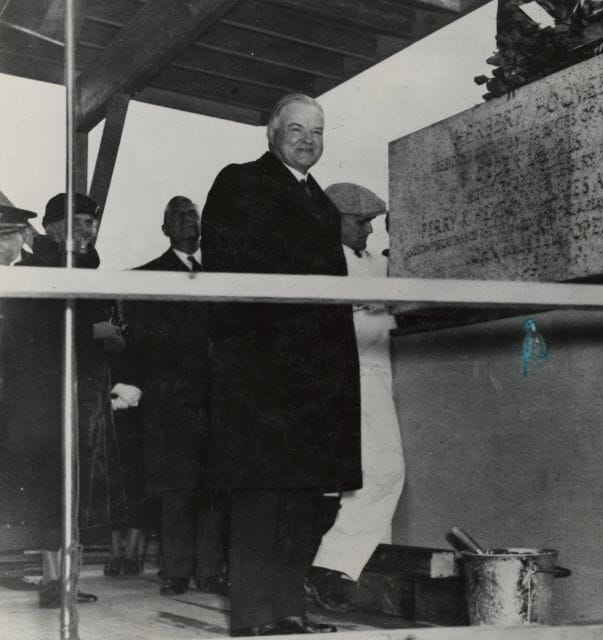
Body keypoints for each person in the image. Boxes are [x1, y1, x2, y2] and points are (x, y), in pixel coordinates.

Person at [202, 93, 360, 636]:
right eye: (296, 129)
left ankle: (289, 609)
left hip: (315, 378)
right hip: (263, 372)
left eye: (317, 132)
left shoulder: (323, 204)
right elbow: (231, 270)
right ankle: (251, 618)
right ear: (271, 133)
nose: (307, 140)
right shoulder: (240, 181)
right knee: (260, 494)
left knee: (304, 497)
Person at [0, 193, 135, 608]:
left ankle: (63, 580)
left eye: (91, 224)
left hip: (82, 394)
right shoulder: (35, 270)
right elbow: (37, 334)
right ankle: (54, 580)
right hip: (46, 399)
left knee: (73, 488)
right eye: (79, 223)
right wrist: (95, 333)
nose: (88, 230)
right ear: (56, 226)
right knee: (51, 487)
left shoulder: (83, 267)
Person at [115, 196, 228, 595]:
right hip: (171, 399)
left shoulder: (225, 273)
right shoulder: (146, 277)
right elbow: (142, 340)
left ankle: (210, 571)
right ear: (164, 229)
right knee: (177, 487)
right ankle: (176, 571)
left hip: (218, 397)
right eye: (175, 216)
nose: (184, 220)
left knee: (215, 484)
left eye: (191, 213)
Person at [305, 183, 405, 613]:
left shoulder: (372, 262)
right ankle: (328, 567)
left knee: (371, 475)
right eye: (361, 222)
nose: (369, 231)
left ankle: (333, 568)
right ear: (334, 220)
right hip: (352, 377)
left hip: (378, 374)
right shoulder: (326, 261)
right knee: (384, 472)